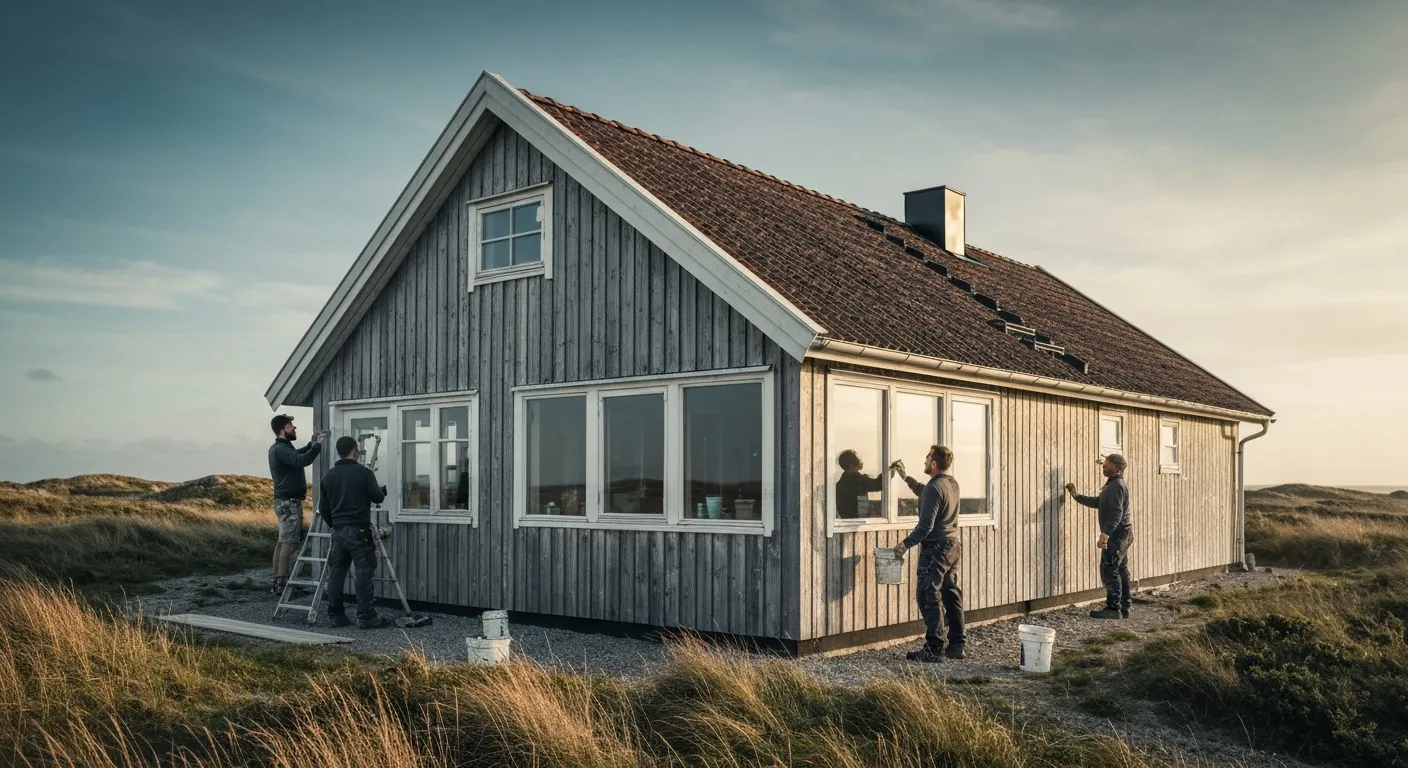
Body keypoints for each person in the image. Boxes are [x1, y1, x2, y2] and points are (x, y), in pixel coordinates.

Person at [890, 445, 965, 662]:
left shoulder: (935, 488)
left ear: (933, 463)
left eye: (927, 457)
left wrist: (904, 545)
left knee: (927, 594)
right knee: (951, 594)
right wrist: (906, 478)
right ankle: (957, 645)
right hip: (952, 546)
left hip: (936, 549)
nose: (924, 460)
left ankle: (934, 648)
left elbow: (926, 527)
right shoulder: (951, 483)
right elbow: (926, 493)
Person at [319, 436, 390, 628]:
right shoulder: (364, 473)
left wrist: (334, 524)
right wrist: (382, 490)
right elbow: (376, 496)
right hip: (359, 530)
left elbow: (323, 508)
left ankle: (335, 615)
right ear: (354, 450)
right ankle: (366, 616)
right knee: (364, 570)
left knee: (337, 572)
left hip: (338, 532)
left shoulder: (328, 476)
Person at [1065, 453, 1134, 619]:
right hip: (1123, 532)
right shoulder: (1113, 485)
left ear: (1116, 468)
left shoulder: (1116, 485)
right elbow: (1099, 502)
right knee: (1121, 568)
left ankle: (1113, 608)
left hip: (1117, 534)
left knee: (1109, 569)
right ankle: (1124, 606)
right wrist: (1077, 497)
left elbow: (1117, 512)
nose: (1104, 465)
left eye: (1107, 464)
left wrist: (1106, 533)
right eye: (1104, 462)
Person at [267, 414, 322, 595]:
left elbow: (297, 455)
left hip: (285, 501)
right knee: (289, 543)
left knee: (284, 542)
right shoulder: (281, 449)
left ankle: (277, 582)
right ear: (283, 430)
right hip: (289, 503)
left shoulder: (281, 448)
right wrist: (318, 446)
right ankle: (281, 585)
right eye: (291, 426)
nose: (294, 428)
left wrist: (310, 445)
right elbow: (301, 460)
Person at [835, 450, 884, 518]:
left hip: (847, 521)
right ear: (852, 464)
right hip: (857, 523)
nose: (861, 460)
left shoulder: (841, 483)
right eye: (858, 458)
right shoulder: (857, 479)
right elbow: (878, 485)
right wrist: (889, 471)